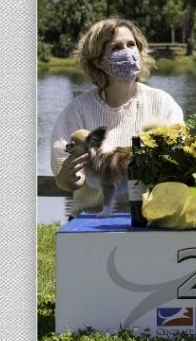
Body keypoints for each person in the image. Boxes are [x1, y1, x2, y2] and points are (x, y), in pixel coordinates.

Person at [50, 17, 184, 213]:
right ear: (99, 62)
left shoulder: (163, 104)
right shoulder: (77, 110)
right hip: (93, 220)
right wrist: (68, 178)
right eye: (116, 48)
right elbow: (64, 177)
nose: (128, 53)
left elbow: (179, 163)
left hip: (152, 218)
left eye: (132, 45)